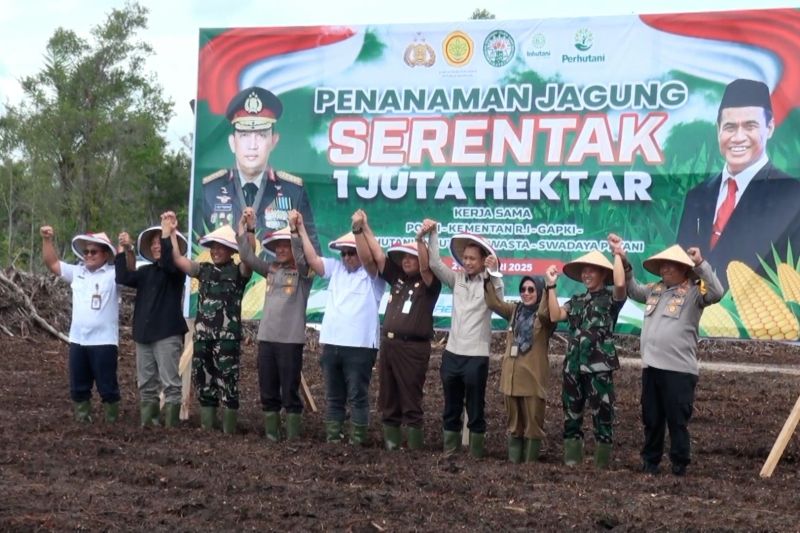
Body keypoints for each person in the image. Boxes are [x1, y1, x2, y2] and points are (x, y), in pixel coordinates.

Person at [608, 234, 724, 476]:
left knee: (677, 420)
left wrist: (701, 263)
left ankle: (680, 464)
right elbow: (631, 289)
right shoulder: (655, 290)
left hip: (679, 371)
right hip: (651, 367)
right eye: (662, 264)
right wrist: (623, 259)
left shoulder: (694, 294)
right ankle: (650, 462)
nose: (665, 268)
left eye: (671, 264)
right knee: (651, 418)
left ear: (684, 269)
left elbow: (717, 292)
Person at [676, 78, 800, 290]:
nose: (738, 137)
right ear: (718, 131)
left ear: (769, 128)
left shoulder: (792, 194)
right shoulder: (697, 195)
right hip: (692, 318)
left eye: (750, 126)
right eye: (730, 127)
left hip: (756, 319)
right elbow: (680, 265)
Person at [296, 210, 386, 445]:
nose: (346, 257)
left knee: (357, 395)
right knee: (334, 396)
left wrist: (360, 230)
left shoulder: (372, 276)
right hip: (332, 344)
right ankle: (333, 439)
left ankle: (357, 442)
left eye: (351, 252)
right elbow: (313, 260)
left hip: (360, 347)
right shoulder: (336, 269)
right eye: (344, 253)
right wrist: (302, 229)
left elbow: (370, 258)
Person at [354, 210, 442, 450]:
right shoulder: (398, 278)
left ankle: (414, 449)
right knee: (388, 398)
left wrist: (420, 241)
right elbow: (380, 257)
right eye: (403, 256)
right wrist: (365, 227)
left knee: (411, 399)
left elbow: (426, 267)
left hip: (413, 348)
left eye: (411, 256)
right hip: (390, 345)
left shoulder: (429, 284)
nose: (406, 260)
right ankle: (392, 446)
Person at [418, 221, 503, 458]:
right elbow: (434, 264)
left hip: (476, 356)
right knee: (450, 407)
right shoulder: (457, 280)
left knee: (475, 409)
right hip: (452, 354)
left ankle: (475, 455)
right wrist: (433, 233)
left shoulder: (489, 281)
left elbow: (500, 301)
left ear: (483, 259)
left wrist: (494, 272)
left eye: (472, 258)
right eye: (464, 257)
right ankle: (450, 452)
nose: (467, 262)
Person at [201, 86, 321, 253]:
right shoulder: (210, 189)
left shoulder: (293, 190)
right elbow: (199, 249)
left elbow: (312, 251)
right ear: (232, 142)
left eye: (261, 135)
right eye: (244, 135)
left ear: (273, 141)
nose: (252, 145)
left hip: (277, 278)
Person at [163, 213, 252, 433]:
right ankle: (207, 427)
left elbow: (249, 258)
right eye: (213, 247)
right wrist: (173, 233)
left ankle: (229, 430)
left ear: (231, 250)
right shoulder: (204, 270)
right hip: (203, 338)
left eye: (221, 247)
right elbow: (177, 259)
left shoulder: (239, 271)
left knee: (228, 384)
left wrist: (247, 230)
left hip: (227, 339)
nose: (215, 250)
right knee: (203, 382)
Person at [236, 207, 312, 441]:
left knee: (290, 391)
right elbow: (247, 257)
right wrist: (245, 227)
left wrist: (295, 232)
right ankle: (271, 434)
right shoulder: (270, 270)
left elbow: (302, 258)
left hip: (290, 341)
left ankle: (292, 436)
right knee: (267, 390)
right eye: (277, 245)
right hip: (266, 339)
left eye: (285, 244)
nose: (279, 249)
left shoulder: (304, 274)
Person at [545, 250, 626, 468]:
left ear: (602, 273)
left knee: (603, 416)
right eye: (584, 270)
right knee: (571, 415)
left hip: (599, 368)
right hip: (573, 367)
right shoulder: (577, 300)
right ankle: (572, 461)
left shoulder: (611, 300)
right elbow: (555, 315)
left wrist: (617, 254)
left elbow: (620, 282)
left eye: (592, 270)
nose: (586, 274)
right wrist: (550, 286)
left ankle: (601, 466)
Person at [115, 214, 189, 428]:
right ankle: (149, 423)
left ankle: (172, 426)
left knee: (170, 383)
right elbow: (123, 277)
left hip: (166, 333)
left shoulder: (176, 271)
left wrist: (168, 233)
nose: (157, 246)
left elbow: (168, 262)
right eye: (154, 243)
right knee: (146, 383)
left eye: (160, 242)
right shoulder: (146, 272)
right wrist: (124, 250)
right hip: (143, 334)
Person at [41, 226, 120, 423]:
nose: (89, 255)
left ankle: (112, 425)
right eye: (86, 251)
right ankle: (82, 423)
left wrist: (121, 248)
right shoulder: (77, 272)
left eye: (94, 251)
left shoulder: (114, 274)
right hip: (78, 340)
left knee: (107, 387)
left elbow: (129, 268)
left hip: (104, 342)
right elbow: (52, 263)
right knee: (78, 387)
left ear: (105, 254)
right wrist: (47, 239)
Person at [484, 267, 556, 463]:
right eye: (523, 289)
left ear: (539, 292)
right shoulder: (515, 310)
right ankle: (514, 464)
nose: (526, 293)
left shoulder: (546, 318)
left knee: (533, 426)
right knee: (514, 426)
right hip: (511, 378)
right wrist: (488, 275)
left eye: (531, 289)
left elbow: (544, 313)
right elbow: (493, 302)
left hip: (532, 380)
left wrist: (549, 285)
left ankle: (530, 466)